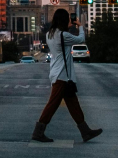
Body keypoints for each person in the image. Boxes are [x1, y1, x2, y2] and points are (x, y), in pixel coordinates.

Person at [32, 9, 102, 143]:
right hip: (62, 76)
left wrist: (68, 27)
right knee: (52, 104)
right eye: (68, 19)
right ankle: (38, 132)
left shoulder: (50, 34)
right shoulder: (63, 35)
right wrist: (80, 26)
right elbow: (81, 39)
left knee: (73, 104)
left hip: (57, 73)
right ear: (64, 20)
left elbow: (62, 42)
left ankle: (85, 131)